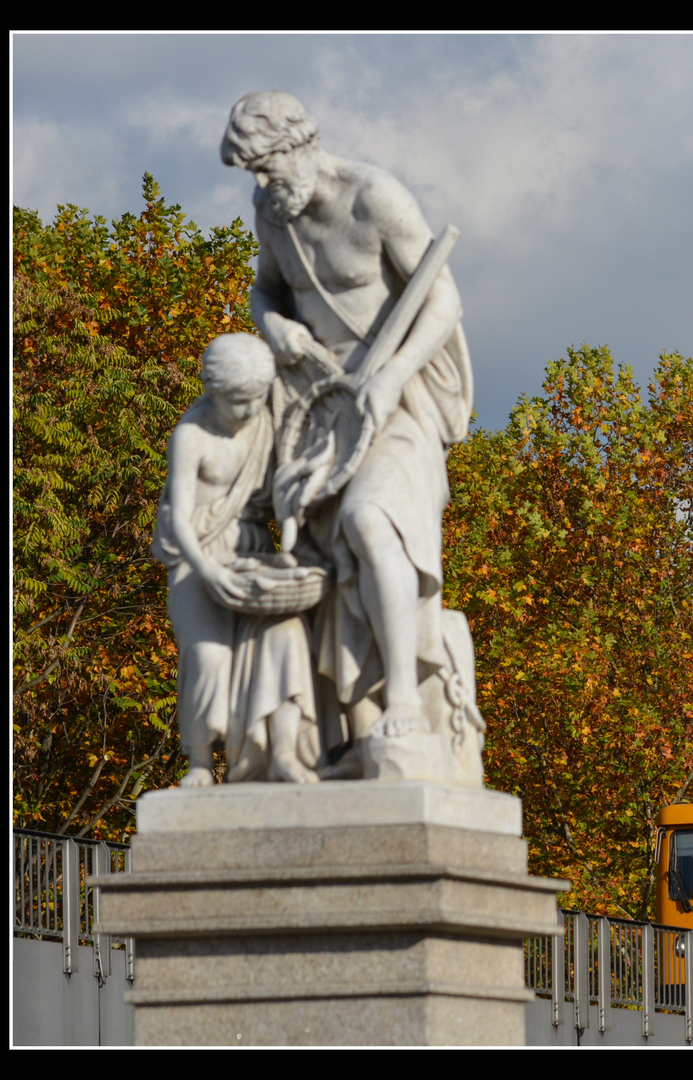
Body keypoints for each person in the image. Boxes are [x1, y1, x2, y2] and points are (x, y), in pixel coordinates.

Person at [221, 91, 474, 752]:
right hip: (315, 410)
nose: (258, 183)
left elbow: (442, 297)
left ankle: (402, 702)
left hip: (395, 399)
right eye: (249, 172)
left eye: (264, 166)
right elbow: (266, 290)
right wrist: (274, 326)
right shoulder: (273, 212)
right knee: (316, 563)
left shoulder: (373, 197)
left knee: (370, 521)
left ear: (299, 145)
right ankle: (341, 732)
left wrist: (392, 375)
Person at [153, 334, 320, 785]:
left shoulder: (267, 424)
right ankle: (202, 763)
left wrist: (290, 552)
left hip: (252, 555)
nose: (249, 411)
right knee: (207, 657)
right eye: (238, 401)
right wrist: (207, 570)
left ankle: (284, 752)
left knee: (284, 636)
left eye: (255, 399)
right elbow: (181, 520)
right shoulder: (192, 435)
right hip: (197, 559)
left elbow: (285, 500)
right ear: (213, 391)